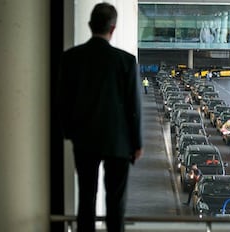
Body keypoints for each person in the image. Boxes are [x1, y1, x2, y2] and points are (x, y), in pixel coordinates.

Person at [57, 3, 143, 232]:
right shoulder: (126, 61)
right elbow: (133, 106)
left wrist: (69, 132)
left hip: (84, 140)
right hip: (119, 142)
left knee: (86, 201)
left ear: (89, 25)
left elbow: (63, 101)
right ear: (113, 28)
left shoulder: (71, 58)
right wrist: (137, 143)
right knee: (116, 207)